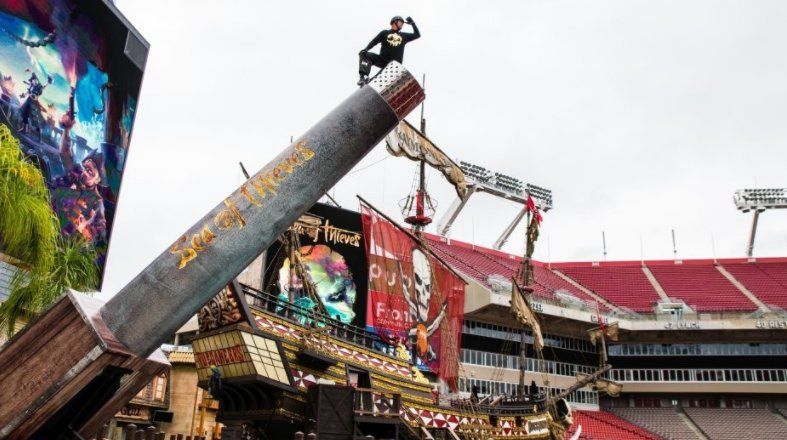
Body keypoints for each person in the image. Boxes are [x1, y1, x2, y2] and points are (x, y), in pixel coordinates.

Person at [358, 16, 420, 86]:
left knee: (385, 77)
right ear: (394, 22)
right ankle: (363, 77)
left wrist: (413, 23)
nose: (402, 24)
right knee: (364, 54)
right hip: (383, 60)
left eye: (403, 23)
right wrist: (366, 49)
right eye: (400, 22)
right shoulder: (384, 33)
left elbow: (417, 35)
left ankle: (378, 82)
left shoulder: (404, 36)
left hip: (394, 64)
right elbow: (374, 41)